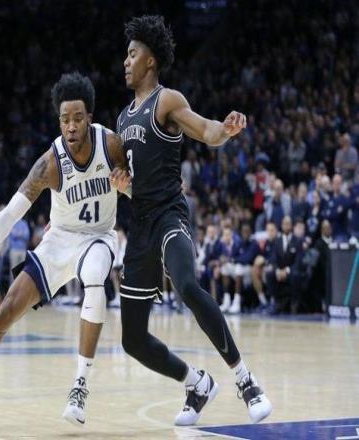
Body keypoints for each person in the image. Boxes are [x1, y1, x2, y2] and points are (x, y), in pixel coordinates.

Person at [0, 72, 128, 430]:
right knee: (4, 311)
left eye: (78, 118)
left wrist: (128, 186)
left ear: (89, 117)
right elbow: (11, 212)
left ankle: (79, 386)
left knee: (94, 276)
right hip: (59, 240)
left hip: (99, 237)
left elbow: (138, 189)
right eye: (65, 119)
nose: (71, 126)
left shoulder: (112, 145)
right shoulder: (50, 163)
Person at [111, 15, 272, 426]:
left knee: (186, 284)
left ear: (150, 60)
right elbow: (133, 182)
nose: (126, 61)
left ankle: (246, 380)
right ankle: (197, 384)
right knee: (132, 340)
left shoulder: (166, 100)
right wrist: (123, 187)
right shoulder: (123, 120)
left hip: (170, 215)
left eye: (132, 54)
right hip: (140, 225)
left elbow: (205, 130)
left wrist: (225, 129)